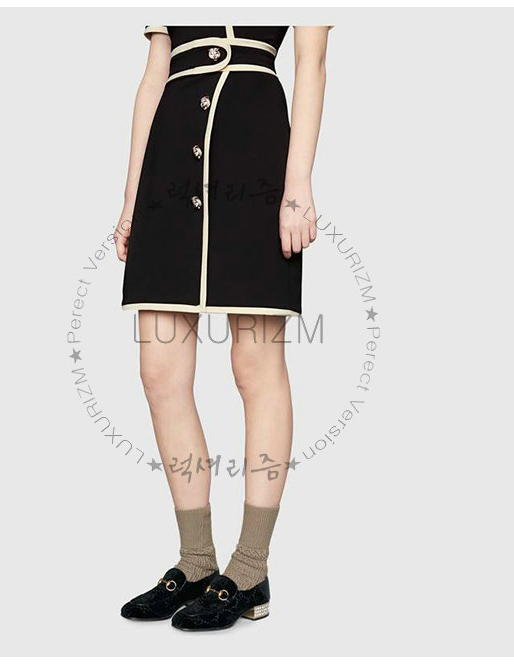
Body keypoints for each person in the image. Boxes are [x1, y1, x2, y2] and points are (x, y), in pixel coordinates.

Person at [115, 25, 330, 631]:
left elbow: (311, 63)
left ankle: (251, 566)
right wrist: (131, 199)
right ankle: (196, 561)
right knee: (159, 372)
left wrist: (297, 185)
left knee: (255, 366)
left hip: (255, 155)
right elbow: (154, 76)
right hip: (167, 168)